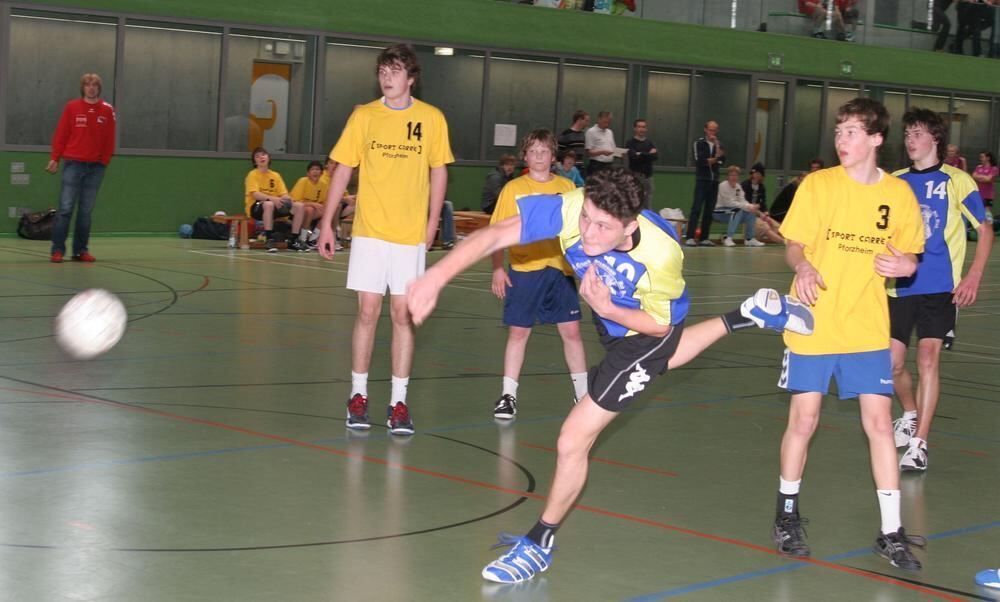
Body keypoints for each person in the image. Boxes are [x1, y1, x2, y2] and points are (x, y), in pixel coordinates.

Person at [406, 167, 814, 583]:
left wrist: (607, 309)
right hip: (612, 318)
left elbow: (660, 328)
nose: (589, 232)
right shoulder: (571, 207)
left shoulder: (661, 255)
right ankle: (751, 313)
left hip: (642, 325)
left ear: (630, 227)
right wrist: (436, 276)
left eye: (603, 226)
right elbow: (498, 233)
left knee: (573, 438)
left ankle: (539, 541)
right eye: (587, 218)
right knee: (662, 364)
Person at [772, 98, 927, 571]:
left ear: (877, 139)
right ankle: (786, 514)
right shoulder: (818, 186)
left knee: (880, 425)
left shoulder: (898, 196)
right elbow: (794, 244)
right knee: (805, 420)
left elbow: (910, 259)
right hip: (813, 319)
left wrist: (907, 265)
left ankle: (891, 532)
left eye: (853, 132)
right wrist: (802, 265)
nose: (842, 141)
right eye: (839, 132)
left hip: (865, 326)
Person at [316, 43, 454, 436]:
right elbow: (342, 170)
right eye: (382, 70)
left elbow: (439, 173)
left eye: (394, 71)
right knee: (367, 311)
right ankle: (358, 396)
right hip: (370, 231)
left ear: (411, 78)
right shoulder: (364, 116)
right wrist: (327, 223)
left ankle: (399, 402)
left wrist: (432, 224)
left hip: (409, 233)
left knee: (402, 315)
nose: (386, 77)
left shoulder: (431, 119)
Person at [888, 108, 992, 472]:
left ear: (935, 139)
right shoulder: (895, 181)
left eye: (917, 133)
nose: (910, 141)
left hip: (940, 287)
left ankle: (919, 444)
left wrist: (973, 275)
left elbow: (985, 228)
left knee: (928, 358)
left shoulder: (957, 180)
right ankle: (910, 413)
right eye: (907, 135)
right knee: (893, 364)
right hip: (899, 287)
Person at [488, 129, 588, 419]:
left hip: (560, 270)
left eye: (544, 151)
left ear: (553, 156)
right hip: (524, 269)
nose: (539, 156)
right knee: (519, 332)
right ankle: (508, 395)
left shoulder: (569, 188)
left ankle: (582, 394)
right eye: (533, 151)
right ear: (525, 156)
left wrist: (589, 269)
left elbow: (581, 232)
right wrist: (497, 267)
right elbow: (497, 232)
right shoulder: (513, 189)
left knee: (571, 331)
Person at [46, 73, 116, 264]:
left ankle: (80, 251)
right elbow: (62, 134)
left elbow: (110, 138)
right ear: (83, 88)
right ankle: (57, 250)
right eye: (87, 84)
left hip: (96, 168)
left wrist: (104, 161)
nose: (91, 88)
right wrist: (55, 158)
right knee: (65, 209)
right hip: (73, 165)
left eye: (94, 85)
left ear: (99, 88)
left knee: (85, 212)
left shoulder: (107, 110)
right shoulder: (72, 107)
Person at [244, 147, 294, 253]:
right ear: (255, 162)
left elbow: (283, 194)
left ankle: (295, 240)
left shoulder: (276, 175)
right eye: (257, 156)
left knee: (299, 206)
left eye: (263, 154)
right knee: (269, 204)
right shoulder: (253, 174)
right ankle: (269, 239)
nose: (261, 157)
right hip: (256, 207)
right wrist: (272, 198)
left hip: (274, 204)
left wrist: (289, 200)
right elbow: (255, 194)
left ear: (268, 157)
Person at [685, 120, 724, 246]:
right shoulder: (699, 143)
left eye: (715, 130)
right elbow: (700, 161)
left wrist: (717, 147)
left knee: (709, 210)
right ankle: (690, 237)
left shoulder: (719, 145)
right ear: (705, 130)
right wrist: (714, 160)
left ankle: (704, 237)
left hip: (714, 181)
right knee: (696, 208)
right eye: (710, 129)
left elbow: (722, 160)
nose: (712, 132)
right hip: (702, 180)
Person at [713, 165, 767, 247]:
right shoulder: (723, 185)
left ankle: (749, 239)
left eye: (736, 175)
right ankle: (728, 238)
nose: (734, 177)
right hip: (719, 211)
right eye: (731, 175)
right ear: (728, 176)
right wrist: (746, 206)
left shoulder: (738, 187)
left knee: (751, 213)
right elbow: (729, 203)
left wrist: (751, 206)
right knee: (738, 210)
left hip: (733, 212)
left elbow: (742, 200)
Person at [288, 160, 329, 252]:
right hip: (297, 211)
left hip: (313, 211)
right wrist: (313, 204)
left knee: (328, 213)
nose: (315, 172)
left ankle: (313, 239)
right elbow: (296, 202)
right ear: (308, 173)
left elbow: (324, 202)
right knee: (309, 209)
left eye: (317, 169)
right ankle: (302, 239)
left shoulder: (323, 185)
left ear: (321, 173)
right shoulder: (303, 181)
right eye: (313, 169)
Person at [742, 163, 785, 244]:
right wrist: (761, 214)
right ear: (752, 173)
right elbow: (746, 205)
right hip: (749, 217)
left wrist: (766, 214)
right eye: (756, 173)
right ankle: (783, 242)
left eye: (759, 174)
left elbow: (763, 204)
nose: (757, 176)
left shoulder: (761, 187)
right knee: (765, 227)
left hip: (760, 215)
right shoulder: (745, 185)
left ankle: (790, 241)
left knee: (778, 227)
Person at [625, 118, 658, 208]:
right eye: (639, 127)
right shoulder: (630, 143)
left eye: (643, 127)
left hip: (648, 178)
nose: (641, 129)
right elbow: (634, 157)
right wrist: (648, 154)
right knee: (634, 203)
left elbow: (655, 157)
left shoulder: (649, 142)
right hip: (635, 177)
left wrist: (641, 154)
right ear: (635, 129)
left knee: (647, 205)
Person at [584, 110, 616, 176]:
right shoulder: (591, 131)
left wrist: (620, 153)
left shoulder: (610, 132)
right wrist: (602, 152)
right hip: (597, 165)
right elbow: (588, 153)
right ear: (599, 119)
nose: (607, 124)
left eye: (609, 122)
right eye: (605, 122)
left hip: (609, 165)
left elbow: (613, 148)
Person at [972, 150, 998, 214]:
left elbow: (988, 179)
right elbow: (973, 176)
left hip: (988, 195)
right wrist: (984, 177)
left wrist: (979, 177)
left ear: (988, 158)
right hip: (978, 194)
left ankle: (989, 224)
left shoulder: (993, 168)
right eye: (980, 157)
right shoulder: (978, 167)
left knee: (987, 213)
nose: (980, 159)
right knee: (978, 213)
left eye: (982, 157)